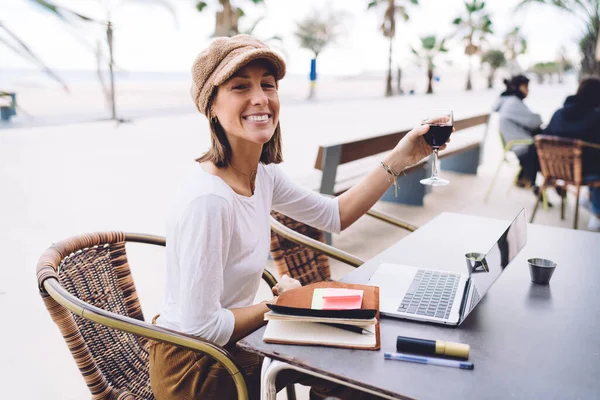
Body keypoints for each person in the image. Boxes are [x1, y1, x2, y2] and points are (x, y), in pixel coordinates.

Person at [148, 34, 447, 400]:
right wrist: (281, 305)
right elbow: (202, 326)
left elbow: (335, 214)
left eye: (267, 85)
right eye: (240, 86)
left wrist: (402, 156)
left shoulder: (262, 173)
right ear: (211, 107)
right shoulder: (208, 200)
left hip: (230, 346)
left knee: (356, 365)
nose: (260, 98)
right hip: (197, 371)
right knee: (346, 376)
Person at [543, 76, 600, 231]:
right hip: (586, 172)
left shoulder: (558, 114)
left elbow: (545, 137)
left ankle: (592, 202)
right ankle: (597, 212)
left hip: (556, 171)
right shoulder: (595, 117)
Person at [493, 75, 543, 189]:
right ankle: (537, 184)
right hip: (522, 145)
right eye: (525, 87)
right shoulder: (512, 103)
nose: (528, 91)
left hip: (516, 143)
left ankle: (526, 179)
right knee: (548, 151)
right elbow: (535, 121)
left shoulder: (506, 101)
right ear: (516, 87)